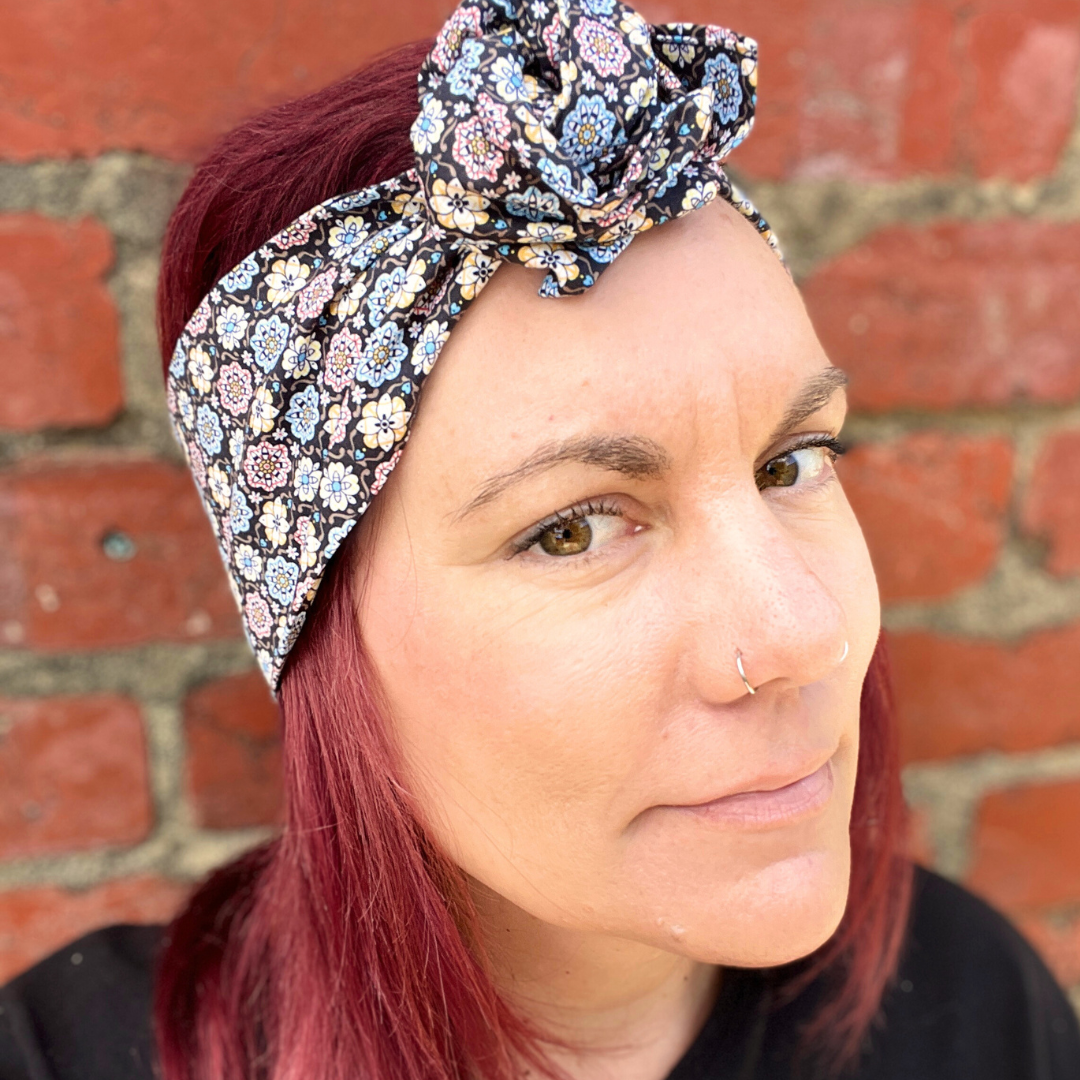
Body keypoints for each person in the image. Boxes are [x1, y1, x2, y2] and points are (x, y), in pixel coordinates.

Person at [2, 3, 1078, 1079]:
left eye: (789, 463)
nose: (805, 632)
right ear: (319, 630)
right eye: (571, 529)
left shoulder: (971, 1009)